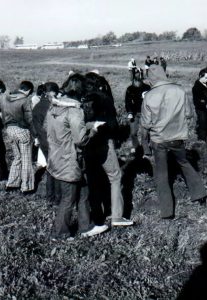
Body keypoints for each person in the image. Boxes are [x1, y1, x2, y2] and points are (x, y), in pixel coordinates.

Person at [141, 65, 207, 219]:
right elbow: (189, 114)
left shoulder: (149, 96)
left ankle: (167, 211)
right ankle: (200, 194)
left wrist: (144, 143)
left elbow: (145, 123)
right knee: (184, 163)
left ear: (151, 79)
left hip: (159, 139)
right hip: (178, 137)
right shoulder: (179, 90)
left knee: (162, 174)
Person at [46, 74, 108, 239]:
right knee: (69, 198)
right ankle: (59, 233)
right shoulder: (75, 110)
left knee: (83, 192)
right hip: (70, 160)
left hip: (57, 157)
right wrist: (93, 130)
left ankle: (85, 226)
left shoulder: (54, 108)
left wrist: (84, 126)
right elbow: (81, 140)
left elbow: (61, 129)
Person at [83, 71, 134, 227]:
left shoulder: (80, 99)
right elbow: (112, 124)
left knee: (92, 179)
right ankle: (117, 216)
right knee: (115, 177)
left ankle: (96, 215)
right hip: (104, 142)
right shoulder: (104, 98)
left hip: (86, 143)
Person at [0, 81, 37, 193]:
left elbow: (2, 114)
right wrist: (35, 135)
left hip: (9, 130)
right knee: (26, 159)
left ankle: (11, 183)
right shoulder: (25, 100)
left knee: (17, 157)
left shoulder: (4, 98)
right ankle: (26, 187)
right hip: (22, 131)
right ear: (29, 90)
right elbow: (30, 120)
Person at [32, 82, 61, 205]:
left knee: (50, 167)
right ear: (53, 93)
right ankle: (58, 196)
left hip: (42, 141)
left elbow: (32, 124)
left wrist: (37, 137)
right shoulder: (52, 106)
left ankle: (50, 195)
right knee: (58, 168)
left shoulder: (37, 105)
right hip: (52, 141)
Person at [125, 69, 151, 153]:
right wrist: (129, 112)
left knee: (145, 134)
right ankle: (136, 148)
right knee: (133, 133)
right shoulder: (130, 89)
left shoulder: (147, 87)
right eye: (136, 73)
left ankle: (146, 150)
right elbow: (127, 102)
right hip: (134, 114)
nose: (138, 75)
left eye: (139, 74)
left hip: (145, 114)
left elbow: (151, 101)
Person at [192, 68, 207, 145]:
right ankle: (202, 142)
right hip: (201, 110)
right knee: (202, 125)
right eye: (205, 78)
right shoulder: (196, 87)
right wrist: (205, 105)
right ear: (200, 76)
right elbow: (196, 102)